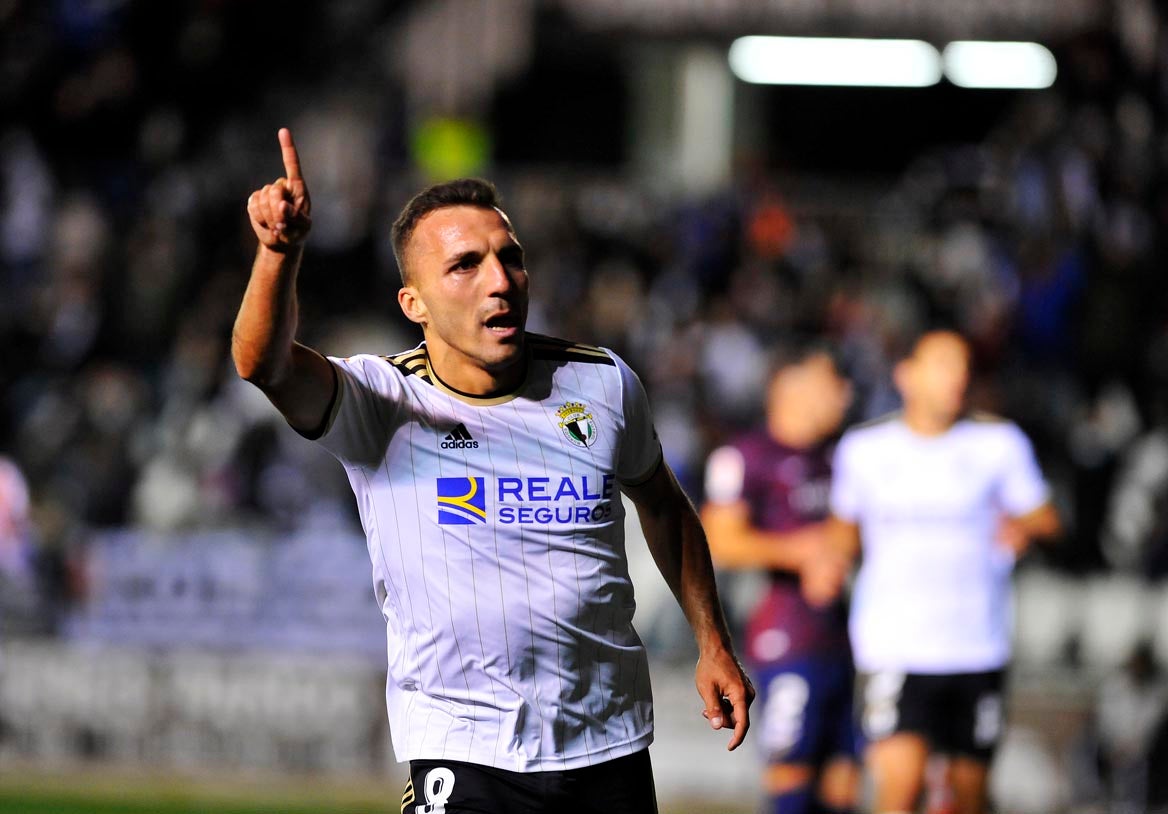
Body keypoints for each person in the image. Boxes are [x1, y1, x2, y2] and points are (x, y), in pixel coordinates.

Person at [231, 129, 754, 814]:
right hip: (465, 746)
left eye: (510, 258)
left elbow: (662, 503)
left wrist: (712, 642)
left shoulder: (600, 383)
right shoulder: (380, 400)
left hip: (608, 741)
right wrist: (278, 254)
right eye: (465, 266)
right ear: (412, 304)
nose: (499, 281)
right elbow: (261, 364)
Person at [814, 329, 1060, 814]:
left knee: (969, 795)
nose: (958, 375)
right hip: (896, 646)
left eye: (964, 364)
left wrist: (1021, 526)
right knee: (901, 787)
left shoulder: (999, 444)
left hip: (977, 644)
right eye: (943, 363)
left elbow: (1046, 518)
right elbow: (843, 531)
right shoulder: (865, 450)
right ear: (906, 375)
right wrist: (827, 559)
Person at [701, 347, 859, 814]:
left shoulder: (841, 456)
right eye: (831, 383)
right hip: (786, 639)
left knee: (844, 785)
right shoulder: (746, 456)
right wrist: (799, 553)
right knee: (792, 776)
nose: (844, 395)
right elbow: (720, 538)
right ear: (791, 391)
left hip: (845, 638)